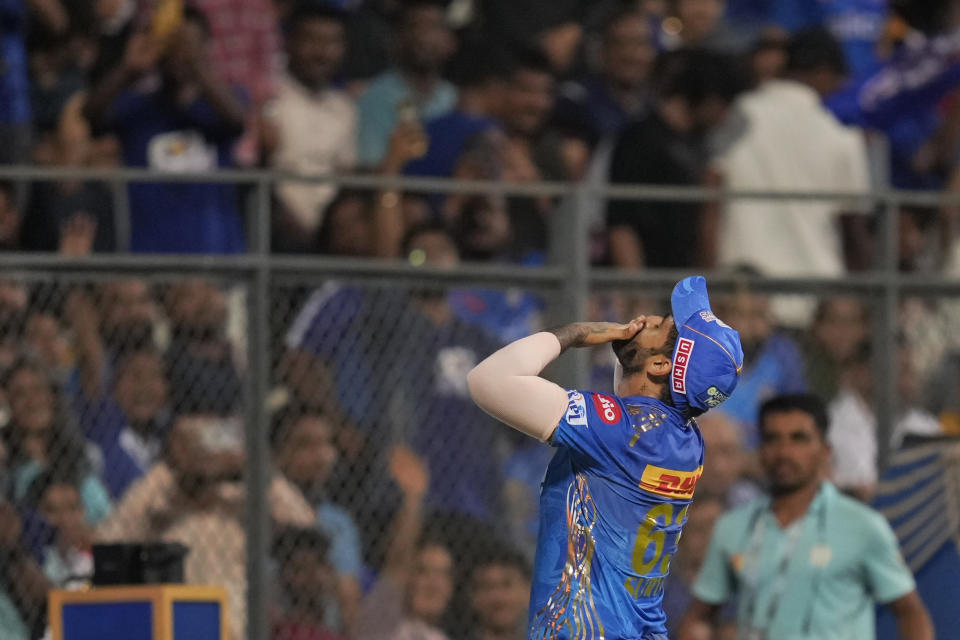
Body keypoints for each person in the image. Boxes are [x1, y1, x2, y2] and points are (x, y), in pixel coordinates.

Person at [468, 276, 743, 637]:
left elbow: (487, 380)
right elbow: (631, 396)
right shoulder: (685, 439)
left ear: (661, 366)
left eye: (660, 325)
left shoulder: (625, 431)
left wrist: (576, 333)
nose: (644, 318)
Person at [678, 394, 934, 640]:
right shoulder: (733, 527)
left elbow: (911, 614)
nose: (784, 452)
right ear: (760, 450)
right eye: (772, 439)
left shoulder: (862, 526)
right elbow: (699, 617)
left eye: (799, 439)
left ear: (825, 450)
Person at [263, 3, 357, 251]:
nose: (322, 53)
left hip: (332, 237)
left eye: (332, 43)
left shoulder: (345, 108)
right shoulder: (269, 97)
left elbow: (345, 174)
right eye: (312, 41)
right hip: (276, 232)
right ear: (289, 42)